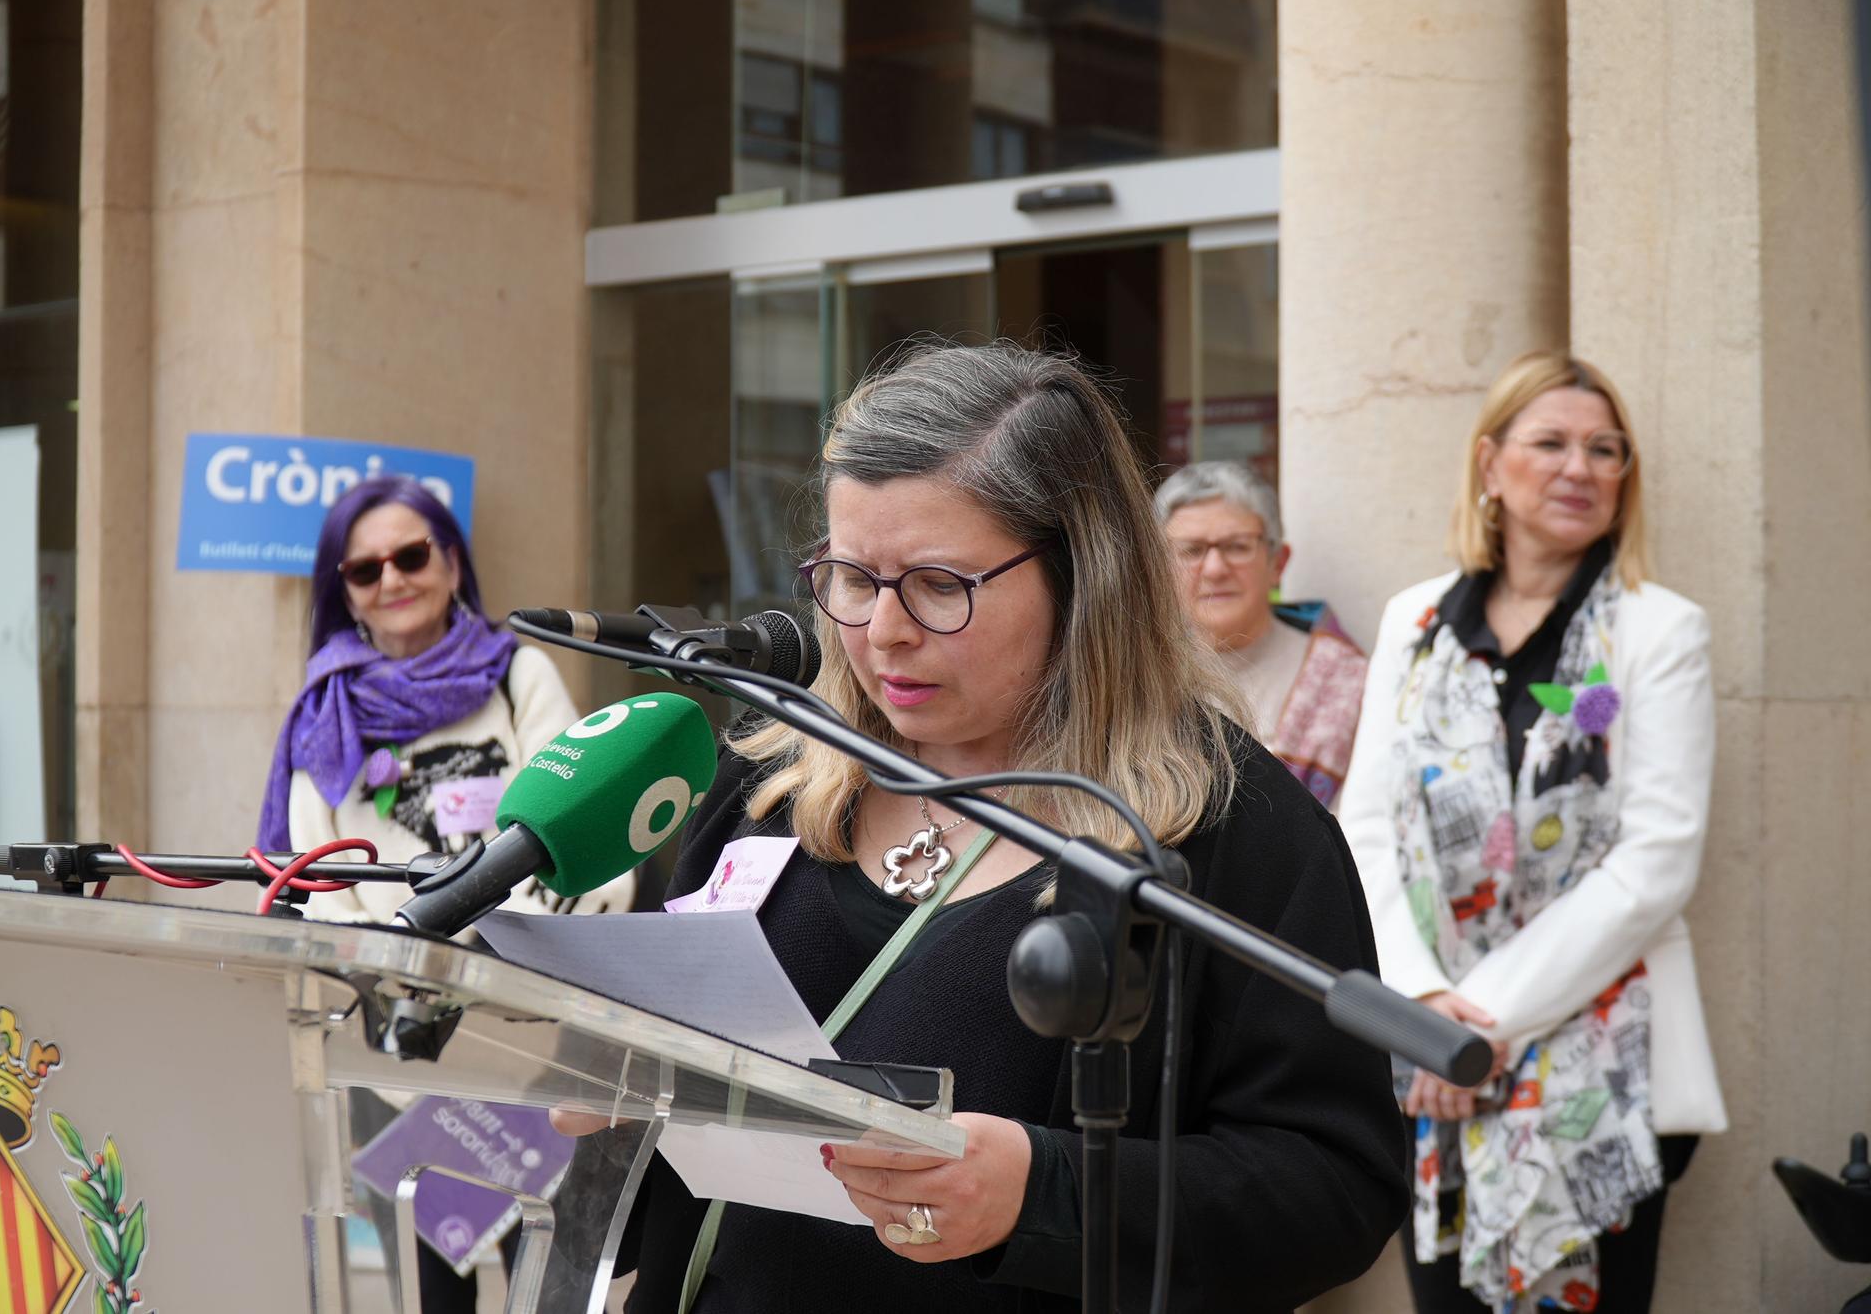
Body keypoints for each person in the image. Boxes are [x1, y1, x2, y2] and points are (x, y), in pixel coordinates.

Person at [565, 342, 1408, 1312]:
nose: (883, 630)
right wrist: (601, 1093)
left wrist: (1046, 1191)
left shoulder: (1232, 830)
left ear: (1083, 576)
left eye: (937, 583)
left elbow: (1335, 1186)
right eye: (849, 577)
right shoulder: (769, 777)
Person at [1336, 351, 1727, 1313]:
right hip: (1428, 1060)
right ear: (1488, 463)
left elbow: (1656, 860)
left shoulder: (1656, 632)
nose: (1579, 467)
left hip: (1599, 1057)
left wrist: (1483, 1025)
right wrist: (1423, 1011)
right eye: (1550, 442)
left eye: (1605, 449)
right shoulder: (1416, 622)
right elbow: (1368, 825)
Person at [256, 475, 630, 1309]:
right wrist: (406, 977)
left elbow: (590, 841)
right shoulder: (322, 715)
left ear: (453, 563)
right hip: (404, 1050)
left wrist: (494, 966)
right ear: (343, 591)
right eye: (364, 569)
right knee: (433, 1290)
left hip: (535, 1030)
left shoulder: (519, 677)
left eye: (412, 554)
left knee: (563, 1282)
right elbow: (318, 882)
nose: (391, 578)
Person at [1155, 460, 1368, 808]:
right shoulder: (1137, 674)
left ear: (1278, 563)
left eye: (1237, 546)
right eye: (1192, 550)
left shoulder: (1342, 681)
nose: (1215, 569)